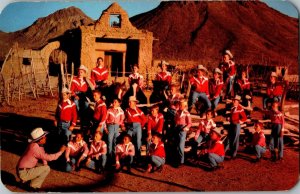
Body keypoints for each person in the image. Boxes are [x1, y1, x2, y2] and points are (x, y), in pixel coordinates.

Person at [124, 96, 147, 161]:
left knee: (138, 141)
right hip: (130, 126)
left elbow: (144, 119)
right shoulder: (127, 110)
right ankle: (129, 156)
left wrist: (140, 126)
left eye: (130, 102)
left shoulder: (138, 110)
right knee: (128, 141)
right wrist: (124, 124)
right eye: (129, 102)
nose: (129, 104)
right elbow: (124, 118)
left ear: (134, 103)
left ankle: (142, 157)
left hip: (137, 126)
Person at [227, 95, 247, 159]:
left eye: (235, 100)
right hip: (231, 124)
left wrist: (238, 122)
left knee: (235, 139)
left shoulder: (240, 108)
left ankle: (234, 154)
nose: (233, 101)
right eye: (233, 100)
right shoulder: (232, 108)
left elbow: (244, 118)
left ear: (238, 102)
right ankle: (231, 151)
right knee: (231, 137)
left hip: (236, 125)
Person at [174, 99, 192, 166]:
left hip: (183, 129)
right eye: (180, 105)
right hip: (177, 128)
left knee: (181, 145)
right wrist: (176, 125)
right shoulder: (177, 112)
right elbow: (175, 119)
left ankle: (181, 161)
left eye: (182, 105)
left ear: (185, 106)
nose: (180, 106)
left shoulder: (187, 113)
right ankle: (177, 159)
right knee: (177, 144)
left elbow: (190, 123)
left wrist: (186, 128)